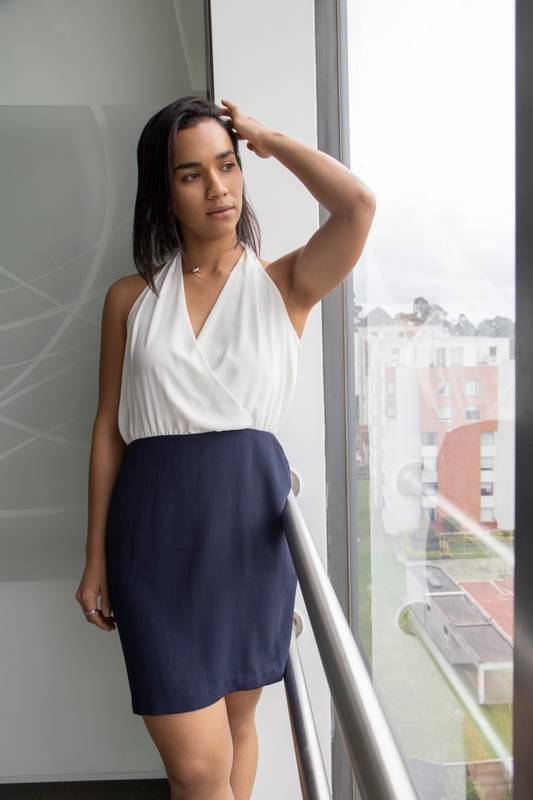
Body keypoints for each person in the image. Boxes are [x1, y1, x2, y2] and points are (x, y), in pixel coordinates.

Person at [75, 95, 376, 800]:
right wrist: (93, 557)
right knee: (198, 767)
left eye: (228, 165)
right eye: (191, 174)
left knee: (239, 728)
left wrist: (268, 138)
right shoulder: (129, 299)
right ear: (162, 189)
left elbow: (357, 206)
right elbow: (107, 429)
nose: (217, 189)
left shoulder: (285, 285)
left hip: (246, 533)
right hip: (151, 536)